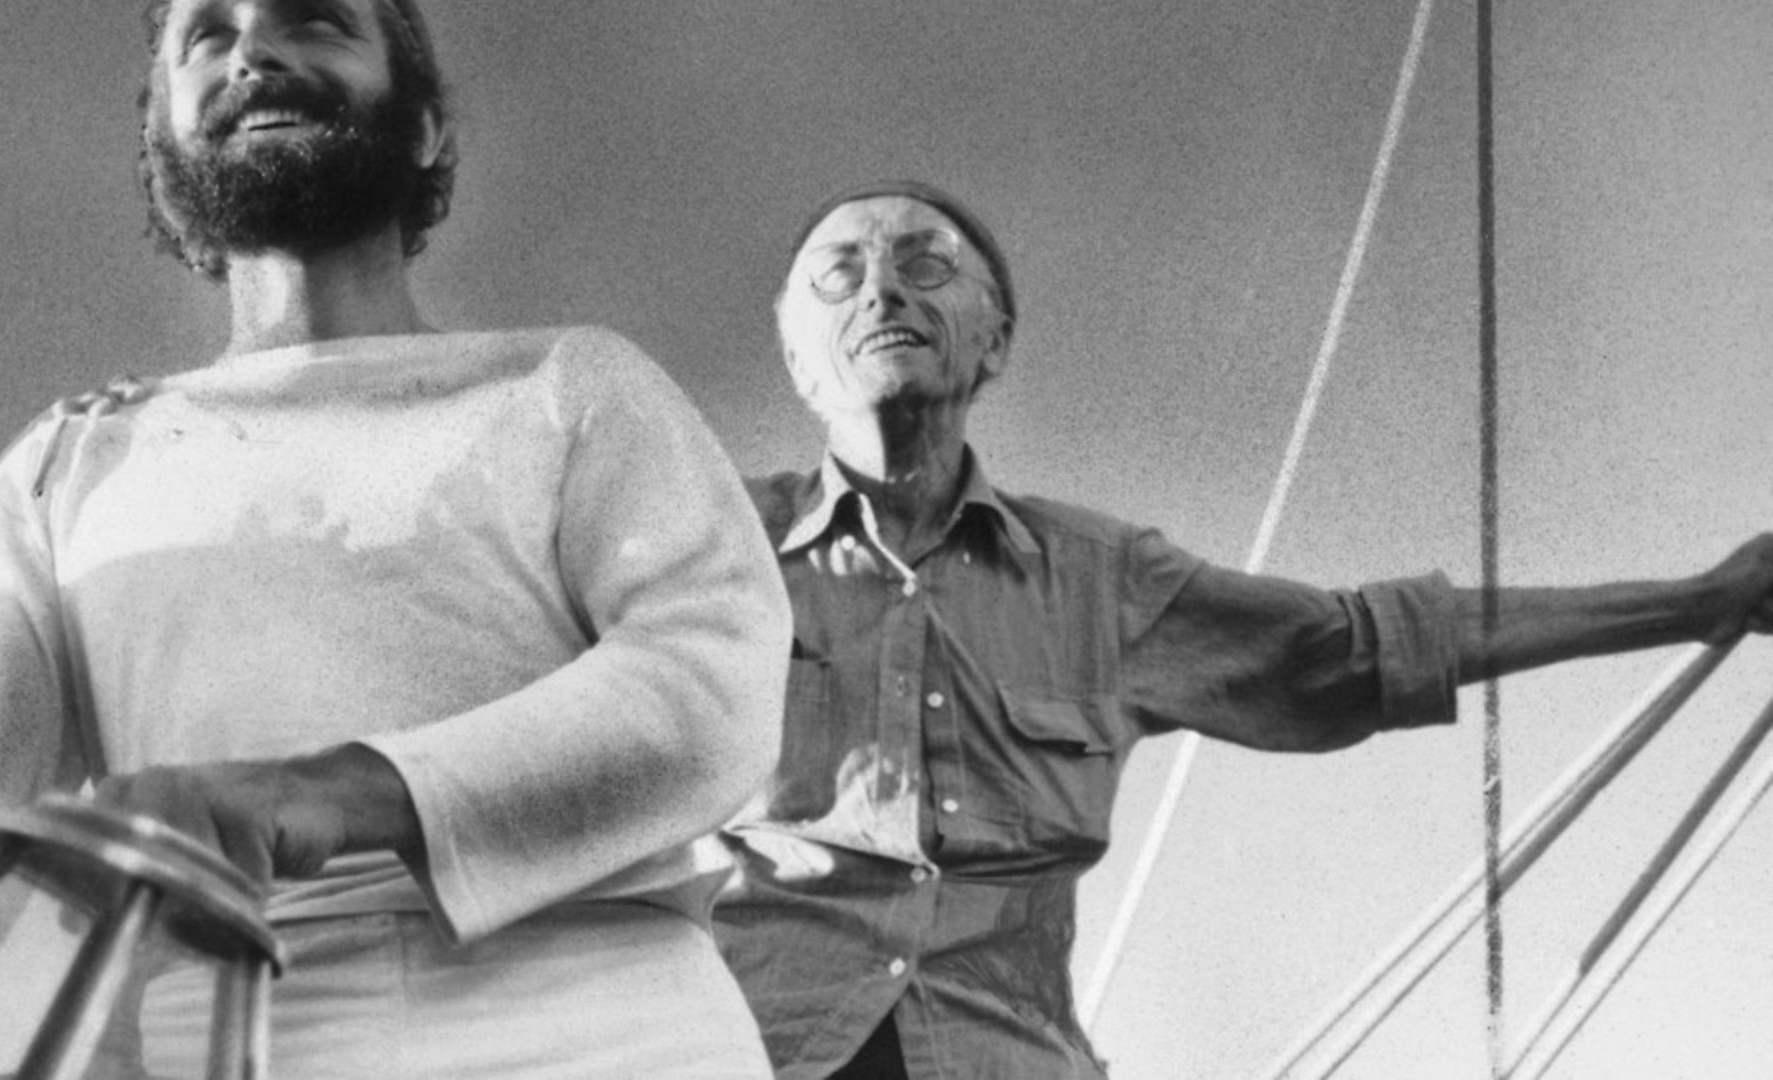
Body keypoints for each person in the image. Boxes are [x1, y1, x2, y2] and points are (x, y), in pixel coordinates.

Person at [0, 1, 789, 1076]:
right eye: (207, 36)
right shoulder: (68, 462)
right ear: (165, 150)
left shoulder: (572, 384)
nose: (253, 50)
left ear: (426, 129)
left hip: (596, 1010)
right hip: (212, 1029)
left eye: (316, 22)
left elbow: (709, 680)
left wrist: (332, 792)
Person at [710, 179, 1773, 1080]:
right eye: (838, 275)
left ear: (994, 342)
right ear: (799, 358)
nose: (883, 289)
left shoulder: (1098, 580)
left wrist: (1698, 599)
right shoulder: (707, 550)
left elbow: (1356, 648)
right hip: (741, 1054)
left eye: (925, 263)